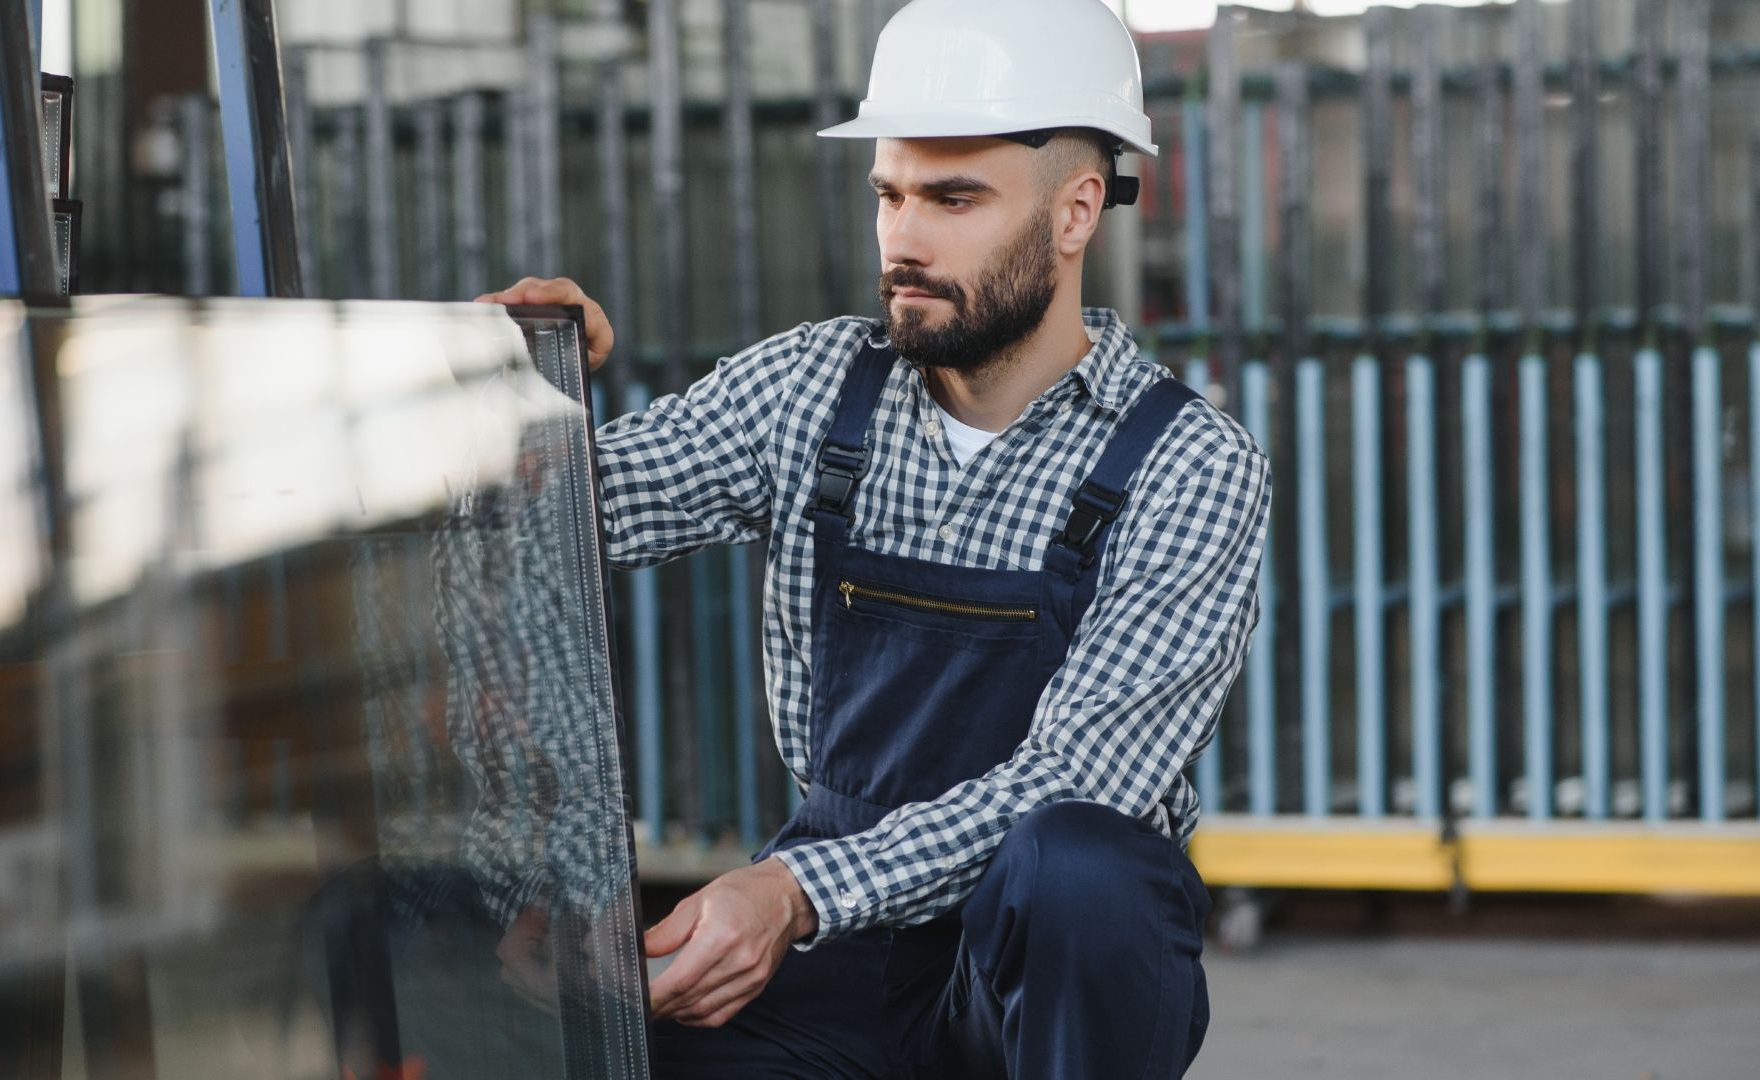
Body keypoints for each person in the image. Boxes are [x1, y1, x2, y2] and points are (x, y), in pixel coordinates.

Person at [481, 1, 1271, 1076]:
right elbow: (538, 528)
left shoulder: (1190, 464)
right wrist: (513, 394)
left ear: (1078, 210)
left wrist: (796, 893)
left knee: (1084, 864)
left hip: (1035, 975)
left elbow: (1081, 778)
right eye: (890, 195)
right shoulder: (811, 389)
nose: (905, 239)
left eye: (955, 198)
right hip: (838, 957)